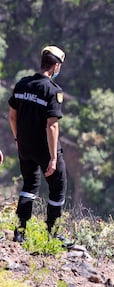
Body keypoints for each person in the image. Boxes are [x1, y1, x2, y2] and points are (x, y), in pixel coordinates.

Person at [8, 45, 70, 245]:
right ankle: (54, 234)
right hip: (45, 148)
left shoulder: (22, 84)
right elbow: (52, 126)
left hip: (25, 146)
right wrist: (53, 158)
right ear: (56, 66)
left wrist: (18, 139)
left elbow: (12, 116)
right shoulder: (53, 91)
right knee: (58, 187)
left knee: (29, 185)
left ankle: (19, 231)